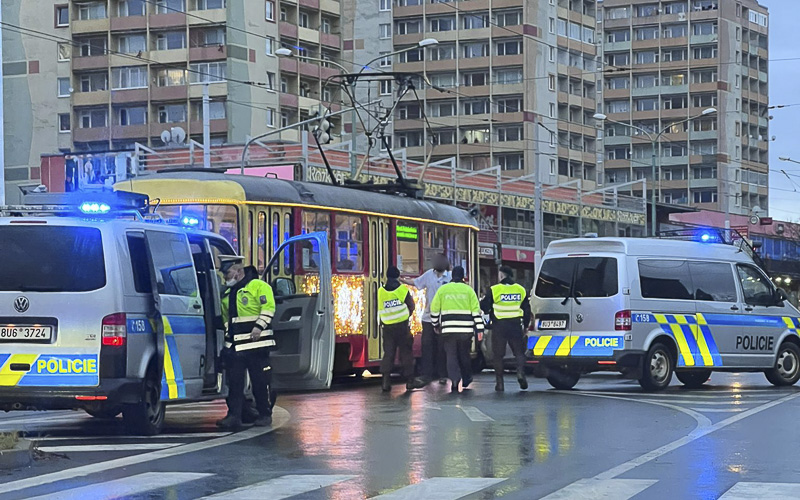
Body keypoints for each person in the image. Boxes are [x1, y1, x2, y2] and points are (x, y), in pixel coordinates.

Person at [216, 255, 277, 430]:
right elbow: (228, 321)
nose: (225, 277)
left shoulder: (258, 286)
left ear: (238, 270)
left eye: (228, 273)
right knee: (234, 384)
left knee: (260, 381)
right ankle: (234, 416)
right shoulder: (228, 293)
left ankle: (265, 414)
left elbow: (268, 307)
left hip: (256, 346)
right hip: (236, 347)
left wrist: (259, 327)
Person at [430, 266, 484, 394]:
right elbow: (476, 311)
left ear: (452, 276)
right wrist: (479, 329)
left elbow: (434, 309)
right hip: (465, 331)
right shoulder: (469, 291)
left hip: (448, 330)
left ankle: (454, 380)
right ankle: (467, 377)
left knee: (451, 356)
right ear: (463, 276)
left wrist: (435, 324)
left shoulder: (443, 290)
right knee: (464, 355)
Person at [481, 266, 531, 392]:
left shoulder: (494, 289)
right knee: (519, 353)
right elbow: (526, 310)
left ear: (502, 275)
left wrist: (489, 311)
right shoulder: (521, 290)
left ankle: (500, 383)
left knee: (498, 355)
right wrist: (525, 326)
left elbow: (484, 305)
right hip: (515, 325)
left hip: (499, 326)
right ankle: (520, 372)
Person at [403, 254, 451, 387]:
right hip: (428, 317)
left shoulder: (451, 277)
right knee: (427, 346)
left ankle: (442, 375)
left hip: (443, 318)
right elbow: (416, 283)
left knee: (442, 348)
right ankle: (426, 374)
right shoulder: (429, 274)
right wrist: (402, 280)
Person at [377, 266, 418, 392]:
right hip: (402, 326)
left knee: (388, 353)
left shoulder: (380, 291)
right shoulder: (402, 290)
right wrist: (406, 316)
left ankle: (385, 382)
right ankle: (410, 381)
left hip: (387, 327)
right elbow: (411, 306)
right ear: (397, 276)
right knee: (406, 353)